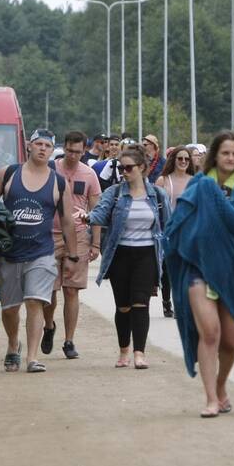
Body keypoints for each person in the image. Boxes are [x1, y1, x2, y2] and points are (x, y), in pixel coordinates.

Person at [166, 131, 234, 417]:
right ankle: (210, 399)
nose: (230, 158)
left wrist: (211, 192)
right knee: (210, 333)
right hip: (198, 267)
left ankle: (221, 387)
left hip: (232, 270)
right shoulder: (199, 184)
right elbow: (181, 218)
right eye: (225, 153)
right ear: (215, 157)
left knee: (231, 340)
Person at [0, 129, 78, 373]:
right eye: (39, 144)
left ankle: (32, 358)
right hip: (9, 253)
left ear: (52, 150)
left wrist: (72, 255)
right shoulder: (9, 173)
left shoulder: (58, 182)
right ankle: (13, 345)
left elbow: (67, 220)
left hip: (42, 253)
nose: (43, 148)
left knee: (35, 302)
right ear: (29, 146)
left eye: (47, 145)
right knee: (10, 308)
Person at [85, 147, 171, 369]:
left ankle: (139, 353)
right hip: (120, 254)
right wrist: (87, 217)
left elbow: (169, 226)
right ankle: (124, 350)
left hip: (147, 255)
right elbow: (100, 214)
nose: (124, 171)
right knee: (123, 306)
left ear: (142, 168)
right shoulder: (114, 193)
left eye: (128, 167)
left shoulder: (158, 195)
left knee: (140, 304)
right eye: (121, 167)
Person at [42, 131, 102, 359]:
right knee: (49, 289)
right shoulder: (50, 170)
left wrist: (96, 244)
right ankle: (49, 326)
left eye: (78, 152)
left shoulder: (89, 175)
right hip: (49, 235)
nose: (74, 155)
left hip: (78, 237)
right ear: (63, 148)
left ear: (84, 150)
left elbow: (97, 211)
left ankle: (69, 340)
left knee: (71, 290)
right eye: (70, 150)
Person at [155, 146, 195, 318]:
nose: (183, 162)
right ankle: (166, 301)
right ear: (174, 160)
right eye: (180, 159)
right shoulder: (163, 181)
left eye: (186, 159)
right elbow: (156, 208)